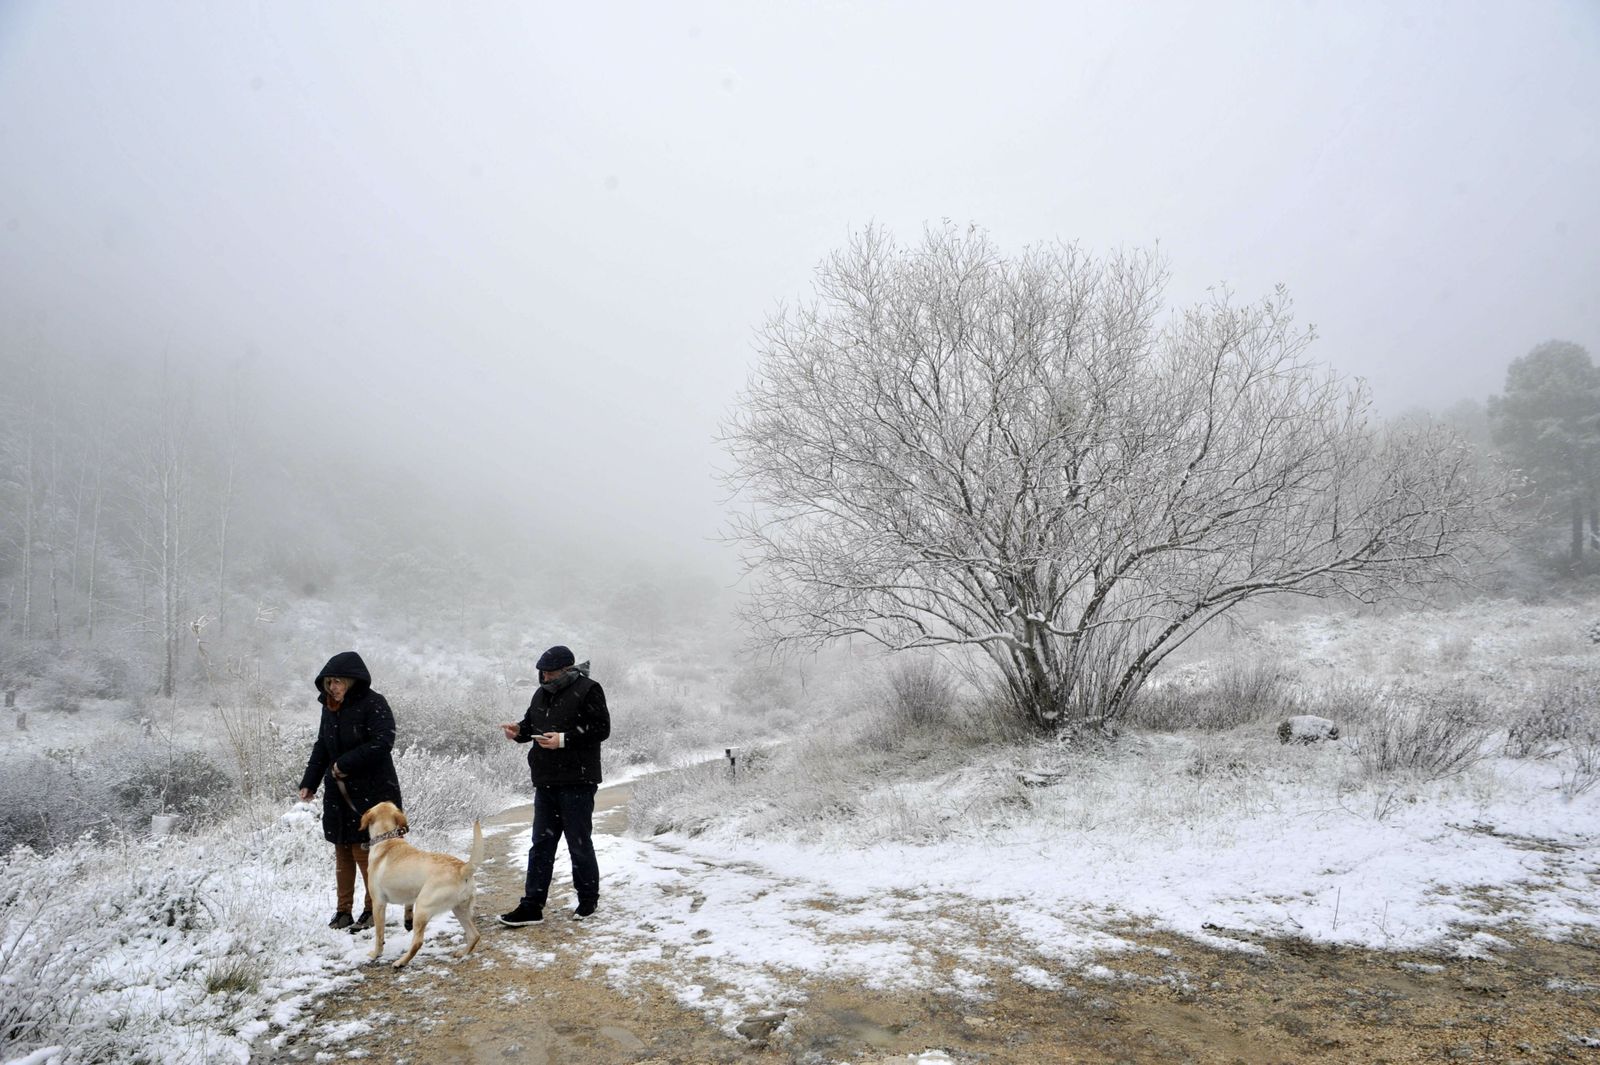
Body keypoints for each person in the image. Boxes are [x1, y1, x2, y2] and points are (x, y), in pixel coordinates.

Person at [497, 645, 611, 926]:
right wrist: (519, 732)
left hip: (578, 781)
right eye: (542, 673)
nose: (544, 678)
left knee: (578, 843)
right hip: (546, 782)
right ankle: (532, 906)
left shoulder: (589, 689)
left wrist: (564, 739)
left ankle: (587, 899)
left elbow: (601, 728)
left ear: (566, 669)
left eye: (549, 673)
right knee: (541, 846)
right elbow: (531, 725)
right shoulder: (540, 694)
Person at [297, 651, 404, 932]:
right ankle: (343, 911)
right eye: (329, 682)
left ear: (353, 681)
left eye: (338, 682)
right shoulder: (329, 708)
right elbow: (322, 746)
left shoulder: (373, 703)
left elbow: (383, 741)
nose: (333, 687)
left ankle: (372, 910)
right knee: (341, 847)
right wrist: (310, 781)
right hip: (338, 791)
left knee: (365, 851)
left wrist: (345, 763)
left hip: (372, 790)